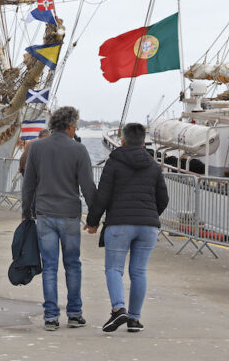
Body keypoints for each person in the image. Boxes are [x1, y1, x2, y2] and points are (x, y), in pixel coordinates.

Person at [84, 122, 169, 334]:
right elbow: (163, 198)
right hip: (148, 227)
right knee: (139, 271)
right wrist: (149, 215)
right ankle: (134, 319)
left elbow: (102, 195)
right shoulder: (153, 164)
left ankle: (118, 308)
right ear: (143, 142)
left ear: (122, 140)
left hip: (119, 225)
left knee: (114, 269)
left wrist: (93, 221)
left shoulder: (114, 162)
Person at [21, 106, 96, 331]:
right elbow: (88, 186)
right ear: (71, 126)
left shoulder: (37, 148)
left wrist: (26, 213)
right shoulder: (79, 150)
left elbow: (29, 184)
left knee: (50, 266)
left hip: (44, 215)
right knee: (73, 264)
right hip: (70, 215)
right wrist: (94, 217)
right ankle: (74, 314)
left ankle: (51, 317)